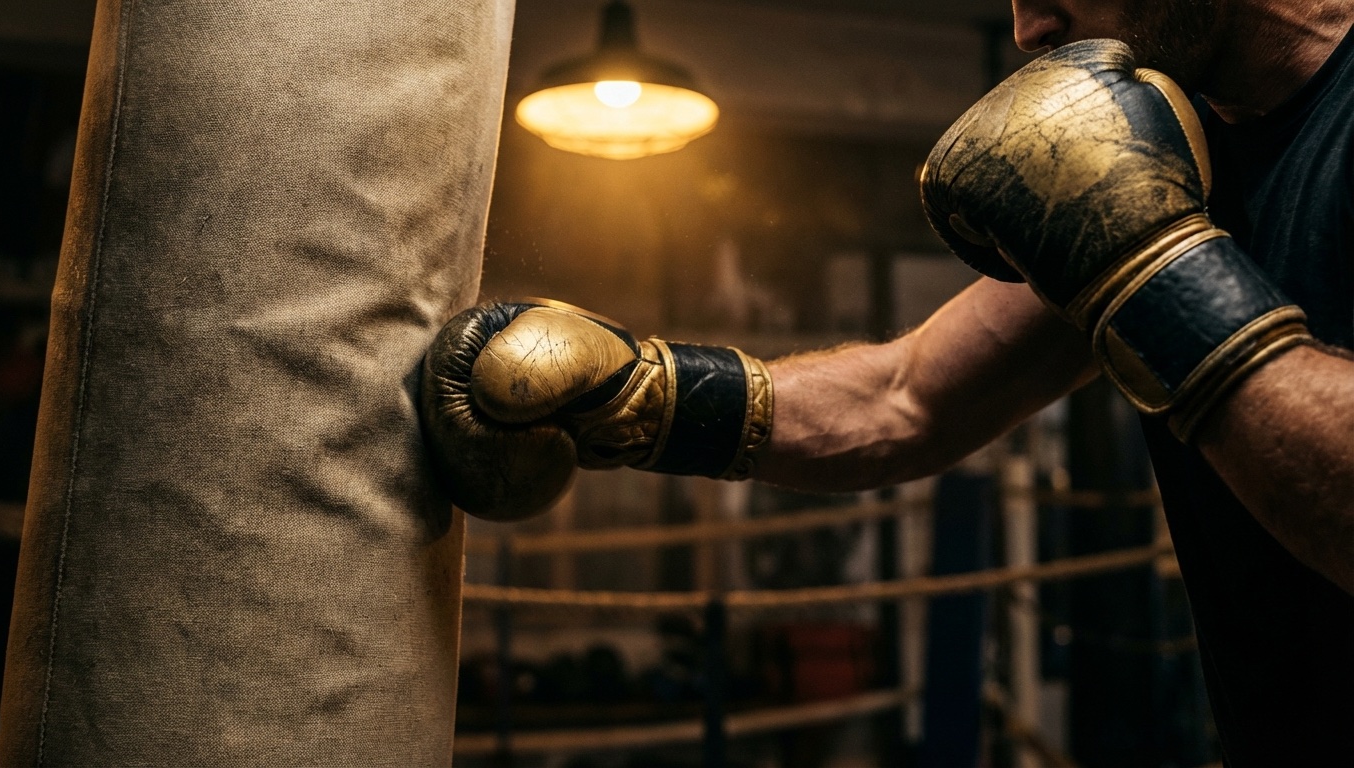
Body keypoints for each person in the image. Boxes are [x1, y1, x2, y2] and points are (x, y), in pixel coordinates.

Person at [421, 0, 1354, 762]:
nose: (1030, 29)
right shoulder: (1183, 155)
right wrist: (637, 397)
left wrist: (1147, 267)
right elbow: (908, 397)